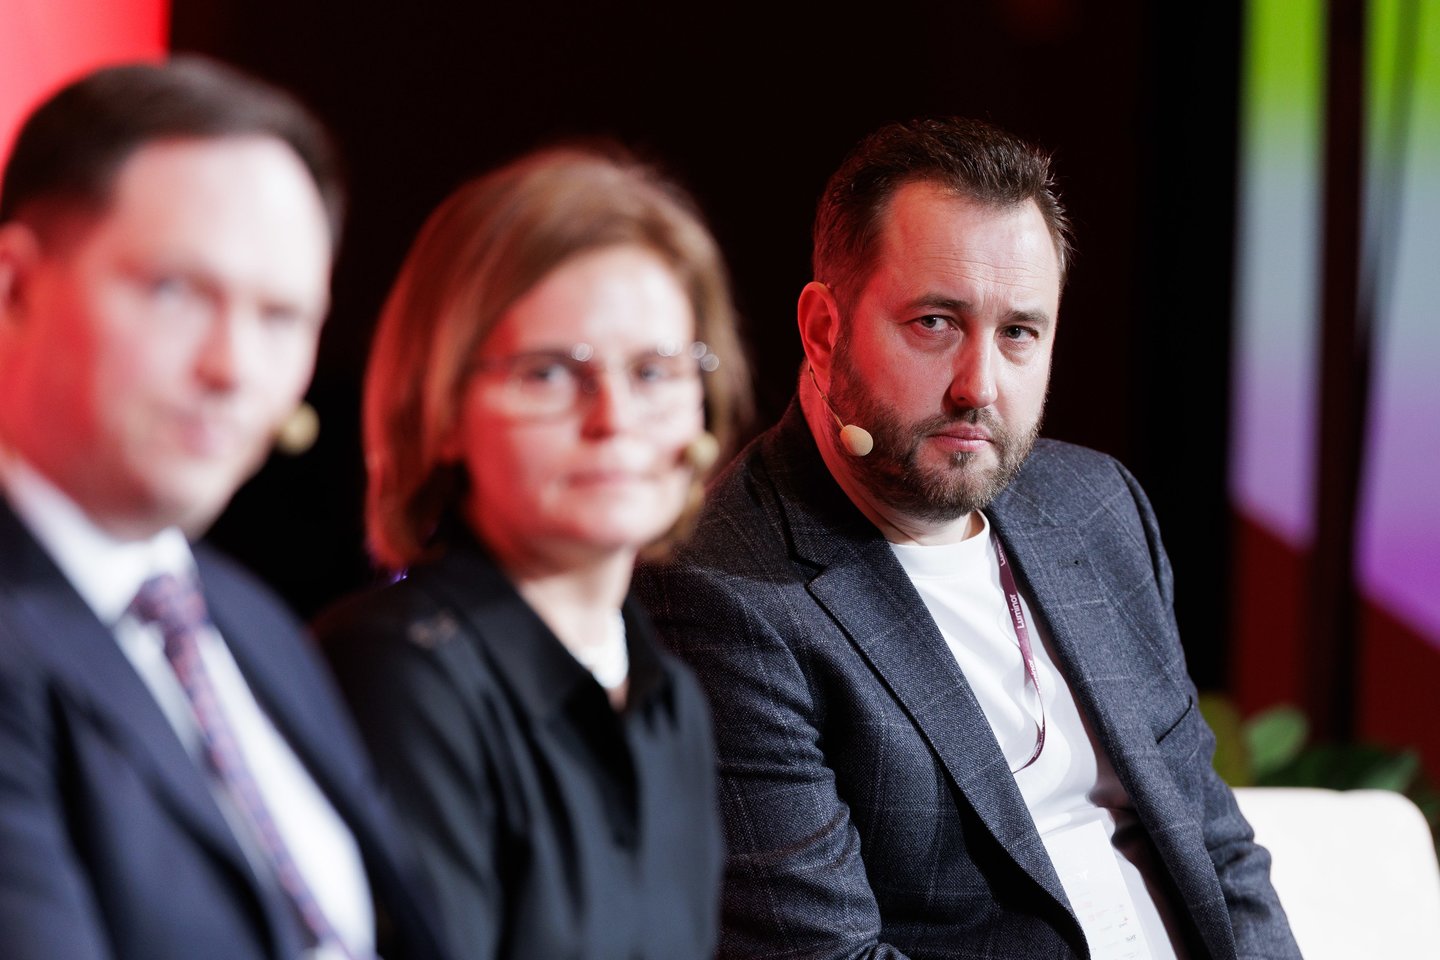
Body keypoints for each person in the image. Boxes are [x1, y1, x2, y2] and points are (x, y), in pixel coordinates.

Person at [634, 118, 1300, 960]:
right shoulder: (717, 591)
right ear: (824, 331)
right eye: (935, 323)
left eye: (1018, 332)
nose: (978, 386)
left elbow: (1217, 848)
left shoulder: (1097, 506)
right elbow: (828, 955)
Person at [0, 59, 446, 960]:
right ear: (14, 286)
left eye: (281, 317)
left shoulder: (251, 624)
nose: (233, 368)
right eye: (175, 291)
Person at [315, 146, 750, 960]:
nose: (613, 417)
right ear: (443, 408)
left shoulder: (673, 700)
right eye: (550, 373)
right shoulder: (394, 671)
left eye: (654, 371)